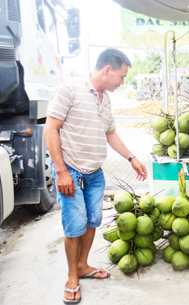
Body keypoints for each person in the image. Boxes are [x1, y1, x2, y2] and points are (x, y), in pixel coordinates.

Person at [44, 48, 147, 304]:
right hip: (72, 173)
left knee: (92, 221)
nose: (122, 82)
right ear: (108, 70)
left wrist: (132, 158)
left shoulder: (105, 99)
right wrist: (61, 172)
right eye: (121, 76)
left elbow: (110, 133)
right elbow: (50, 129)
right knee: (74, 226)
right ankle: (71, 276)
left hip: (94, 175)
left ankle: (82, 265)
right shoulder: (70, 89)